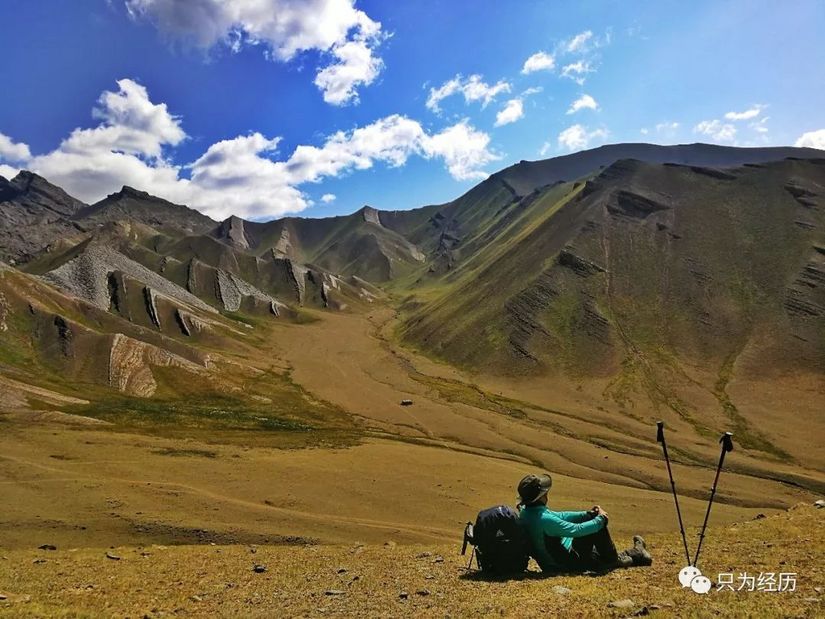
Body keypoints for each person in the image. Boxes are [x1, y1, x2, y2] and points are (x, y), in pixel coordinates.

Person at [517, 473, 652, 572]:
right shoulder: (544, 520)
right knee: (597, 531)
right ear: (541, 496)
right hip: (566, 565)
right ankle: (615, 560)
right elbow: (577, 530)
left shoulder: (527, 512)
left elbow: (561, 516)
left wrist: (586, 514)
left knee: (596, 552)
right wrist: (601, 519)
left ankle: (638, 553)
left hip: (555, 561)